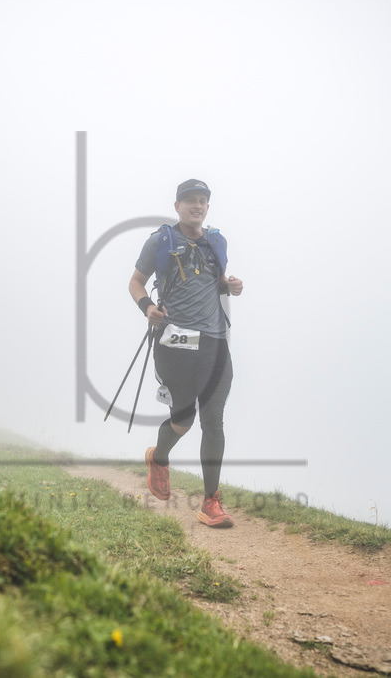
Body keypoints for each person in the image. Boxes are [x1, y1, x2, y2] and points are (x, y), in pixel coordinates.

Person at [128, 179, 243, 528]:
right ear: (177, 206)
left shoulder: (216, 241)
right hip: (175, 340)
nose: (197, 206)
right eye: (190, 200)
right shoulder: (161, 241)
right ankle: (159, 459)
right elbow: (135, 281)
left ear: (208, 207)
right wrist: (147, 306)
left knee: (213, 419)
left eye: (203, 201)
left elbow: (215, 280)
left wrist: (231, 285)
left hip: (214, 341)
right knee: (183, 419)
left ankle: (211, 502)